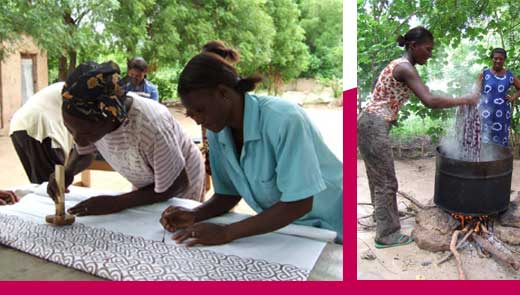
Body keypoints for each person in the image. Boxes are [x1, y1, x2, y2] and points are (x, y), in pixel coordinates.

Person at [160, 41, 343, 246]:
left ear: (223, 93)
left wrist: (227, 233)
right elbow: (228, 193)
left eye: (200, 110)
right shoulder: (217, 131)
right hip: (286, 232)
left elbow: (299, 204)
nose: (197, 120)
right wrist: (195, 214)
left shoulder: (285, 120)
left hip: (331, 229)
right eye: (190, 114)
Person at [357, 26, 480, 249]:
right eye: (428, 49)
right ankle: (386, 235)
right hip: (373, 125)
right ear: (413, 46)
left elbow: (428, 94)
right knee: (386, 181)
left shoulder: (404, 66)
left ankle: (382, 219)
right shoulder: (405, 68)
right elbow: (430, 101)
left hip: (369, 123)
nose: (430, 54)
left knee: (378, 178)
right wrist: (465, 99)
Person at [47, 61, 205, 215]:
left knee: (172, 232)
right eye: (70, 130)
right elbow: (84, 153)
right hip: (149, 182)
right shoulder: (88, 123)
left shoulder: (151, 126)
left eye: (86, 134)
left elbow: (177, 184)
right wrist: (69, 171)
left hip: (181, 182)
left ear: (109, 118)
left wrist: (116, 203)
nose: (78, 139)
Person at [9, 82, 73, 183]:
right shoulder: (81, 89)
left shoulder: (70, 85)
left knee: (38, 184)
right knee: (53, 185)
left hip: (19, 126)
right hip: (40, 128)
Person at [476, 48, 520, 146]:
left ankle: (499, 160)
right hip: (485, 111)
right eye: (495, 58)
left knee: (500, 137)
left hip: (502, 112)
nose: (498, 61)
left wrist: (513, 98)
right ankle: (483, 159)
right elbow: (475, 92)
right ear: (492, 59)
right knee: (484, 136)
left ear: (504, 60)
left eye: (501, 59)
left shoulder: (509, 75)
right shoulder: (484, 74)